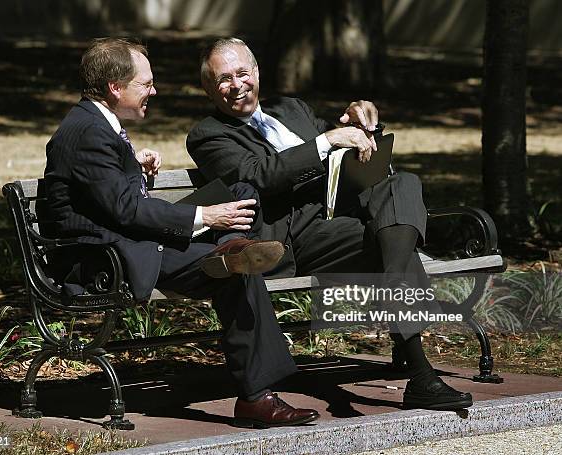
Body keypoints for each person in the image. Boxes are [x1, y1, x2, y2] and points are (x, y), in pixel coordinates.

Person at [43, 37, 320, 428]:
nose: (154, 91)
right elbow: (124, 210)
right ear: (115, 88)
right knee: (235, 271)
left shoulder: (94, 125)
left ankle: (233, 246)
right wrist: (204, 214)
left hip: (132, 239)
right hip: (106, 258)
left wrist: (133, 166)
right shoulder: (87, 131)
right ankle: (257, 398)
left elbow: (104, 193)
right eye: (146, 84)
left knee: (240, 194)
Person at [187, 37, 473, 411]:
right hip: (295, 236)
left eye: (243, 72)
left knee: (404, 184)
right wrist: (326, 140)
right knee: (391, 248)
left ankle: (396, 286)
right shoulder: (209, 134)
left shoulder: (291, 109)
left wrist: (361, 123)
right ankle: (421, 375)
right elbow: (259, 175)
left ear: (257, 73)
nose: (237, 84)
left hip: (341, 217)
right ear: (209, 88)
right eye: (224, 78)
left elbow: (344, 143)